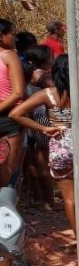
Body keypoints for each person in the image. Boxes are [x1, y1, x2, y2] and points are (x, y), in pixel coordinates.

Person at [10, 55, 74, 236]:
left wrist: (44, 128)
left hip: (62, 146)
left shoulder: (48, 95)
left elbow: (15, 114)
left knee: (70, 199)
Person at [21, 44, 54, 207]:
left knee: (33, 161)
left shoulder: (24, 73)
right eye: (50, 57)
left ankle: (38, 197)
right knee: (43, 162)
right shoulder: (42, 77)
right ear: (43, 60)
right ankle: (49, 201)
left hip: (29, 119)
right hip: (42, 119)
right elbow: (55, 96)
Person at [0, 20, 25, 187]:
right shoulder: (9, 56)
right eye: (13, 34)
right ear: (1, 36)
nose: (16, 39)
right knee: (7, 170)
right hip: (9, 118)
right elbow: (17, 93)